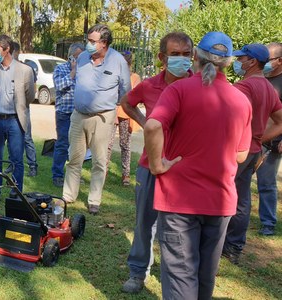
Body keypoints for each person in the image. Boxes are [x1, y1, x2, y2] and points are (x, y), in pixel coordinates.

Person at [144, 31, 252, 299]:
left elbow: (153, 125)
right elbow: (241, 156)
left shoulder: (178, 90)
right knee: (205, 277)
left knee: (181, 277)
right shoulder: (241, 100)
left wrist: (157, 165)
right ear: (228, 62)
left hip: (179, 200)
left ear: (195, 57)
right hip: (220, 201)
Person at [120, 31, 193, 294]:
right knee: (144, 222)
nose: (182, 60)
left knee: (181, 228)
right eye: (175, 55)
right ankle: (138, 272)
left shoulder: (199, 86)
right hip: (150, 165)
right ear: (162, 57)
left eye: (187, 55)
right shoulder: (150, 85)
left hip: (184, 168)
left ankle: (178, 274)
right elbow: (126, 103)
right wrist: (144, 123)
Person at [222, 43, 282, 264]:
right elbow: (280, 121)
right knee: (242, 200)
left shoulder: (243, 88)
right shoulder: (268, 87)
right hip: (253, 151)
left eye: (241, 59)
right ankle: (235, 248)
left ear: (252, 62)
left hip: (238, 152)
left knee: (224, 198)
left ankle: (219, 245)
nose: (238, 63)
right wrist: (259, 139)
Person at [62, 24, 131, 215]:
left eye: (93, 41)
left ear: (104, 43)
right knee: (74, 158)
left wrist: (109, 107)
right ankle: (68, 196)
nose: (88, 44)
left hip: (103, 117)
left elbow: (126, 91)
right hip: (78, 116)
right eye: (88, 40)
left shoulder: (118, 61)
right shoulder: (83, 57)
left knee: (99, 161)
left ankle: (94, 200)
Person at [0, 35, 35, 205]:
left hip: (15, 121)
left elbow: (29, 96)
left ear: (7, 50)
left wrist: (17, 109)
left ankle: (15, 191)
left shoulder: (25, 70)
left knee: (17, 159)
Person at [257, 42, 282, 236]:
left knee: (266, 183)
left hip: (273, 142)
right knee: (237, 178)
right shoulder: (260, 77)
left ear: (279, 61)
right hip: (252, 139)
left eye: (269, 58)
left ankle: (268, 223)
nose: (264, 61)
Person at [106, 51, 141, 186]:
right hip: (112, 112)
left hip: (126, 114)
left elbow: (135, 97)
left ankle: (126, 174)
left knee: (125, 144)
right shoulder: (113, 75)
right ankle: (104, 170)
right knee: (107, 144)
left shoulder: (135, 77)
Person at [51, 43, 84, 187]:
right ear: (70, 56)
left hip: (80, 113)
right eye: (76, 57)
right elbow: (59, 86)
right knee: (62, 144)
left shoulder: (86, 71)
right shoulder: (60, 69)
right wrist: (73, 72)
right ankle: (57, 175)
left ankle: (74, 176)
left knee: (78, 147)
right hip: (64, 113)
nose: (78, 60)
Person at [11, 42, 38, 176]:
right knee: (11, 138)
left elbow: (32, 91)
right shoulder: (5, 68)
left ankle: (32, 166)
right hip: (8, 109)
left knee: (26, 137)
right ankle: (13, 163)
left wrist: (22, 103)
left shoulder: (27, 69)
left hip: (23, 108)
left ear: (16, 52)